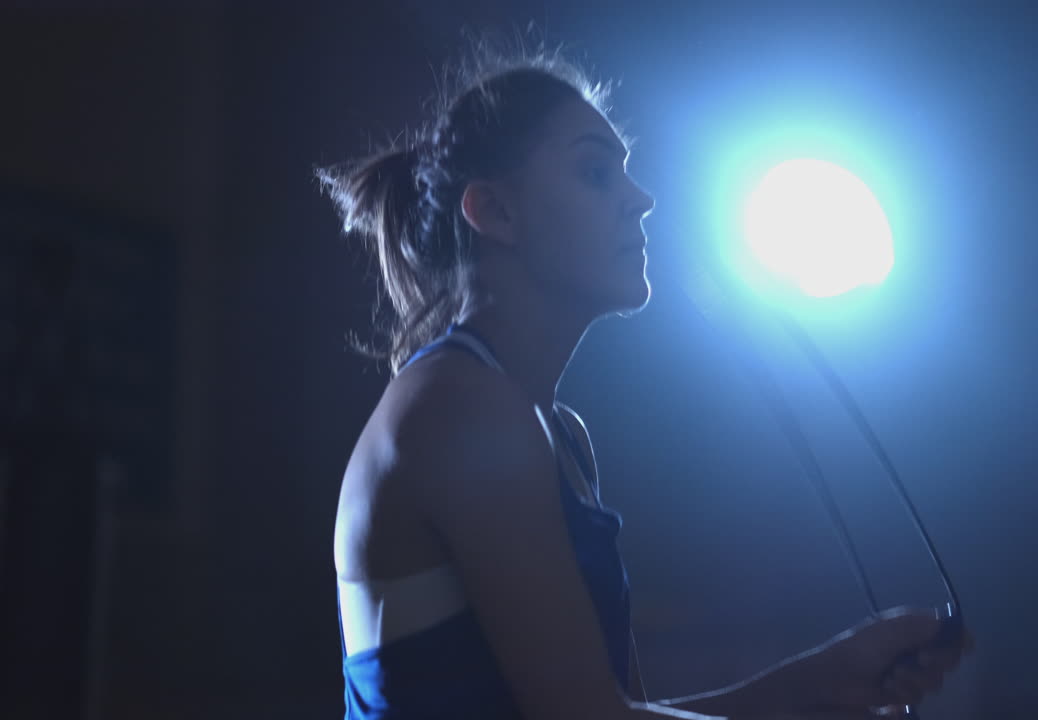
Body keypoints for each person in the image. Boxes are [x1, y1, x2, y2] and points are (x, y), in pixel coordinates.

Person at [319, 45, 974, 720]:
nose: (642, 199)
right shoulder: (461, 408)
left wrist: (825, 681)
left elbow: (618, 708)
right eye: (595, 173)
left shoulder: (557, 435)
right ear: (495, 211)